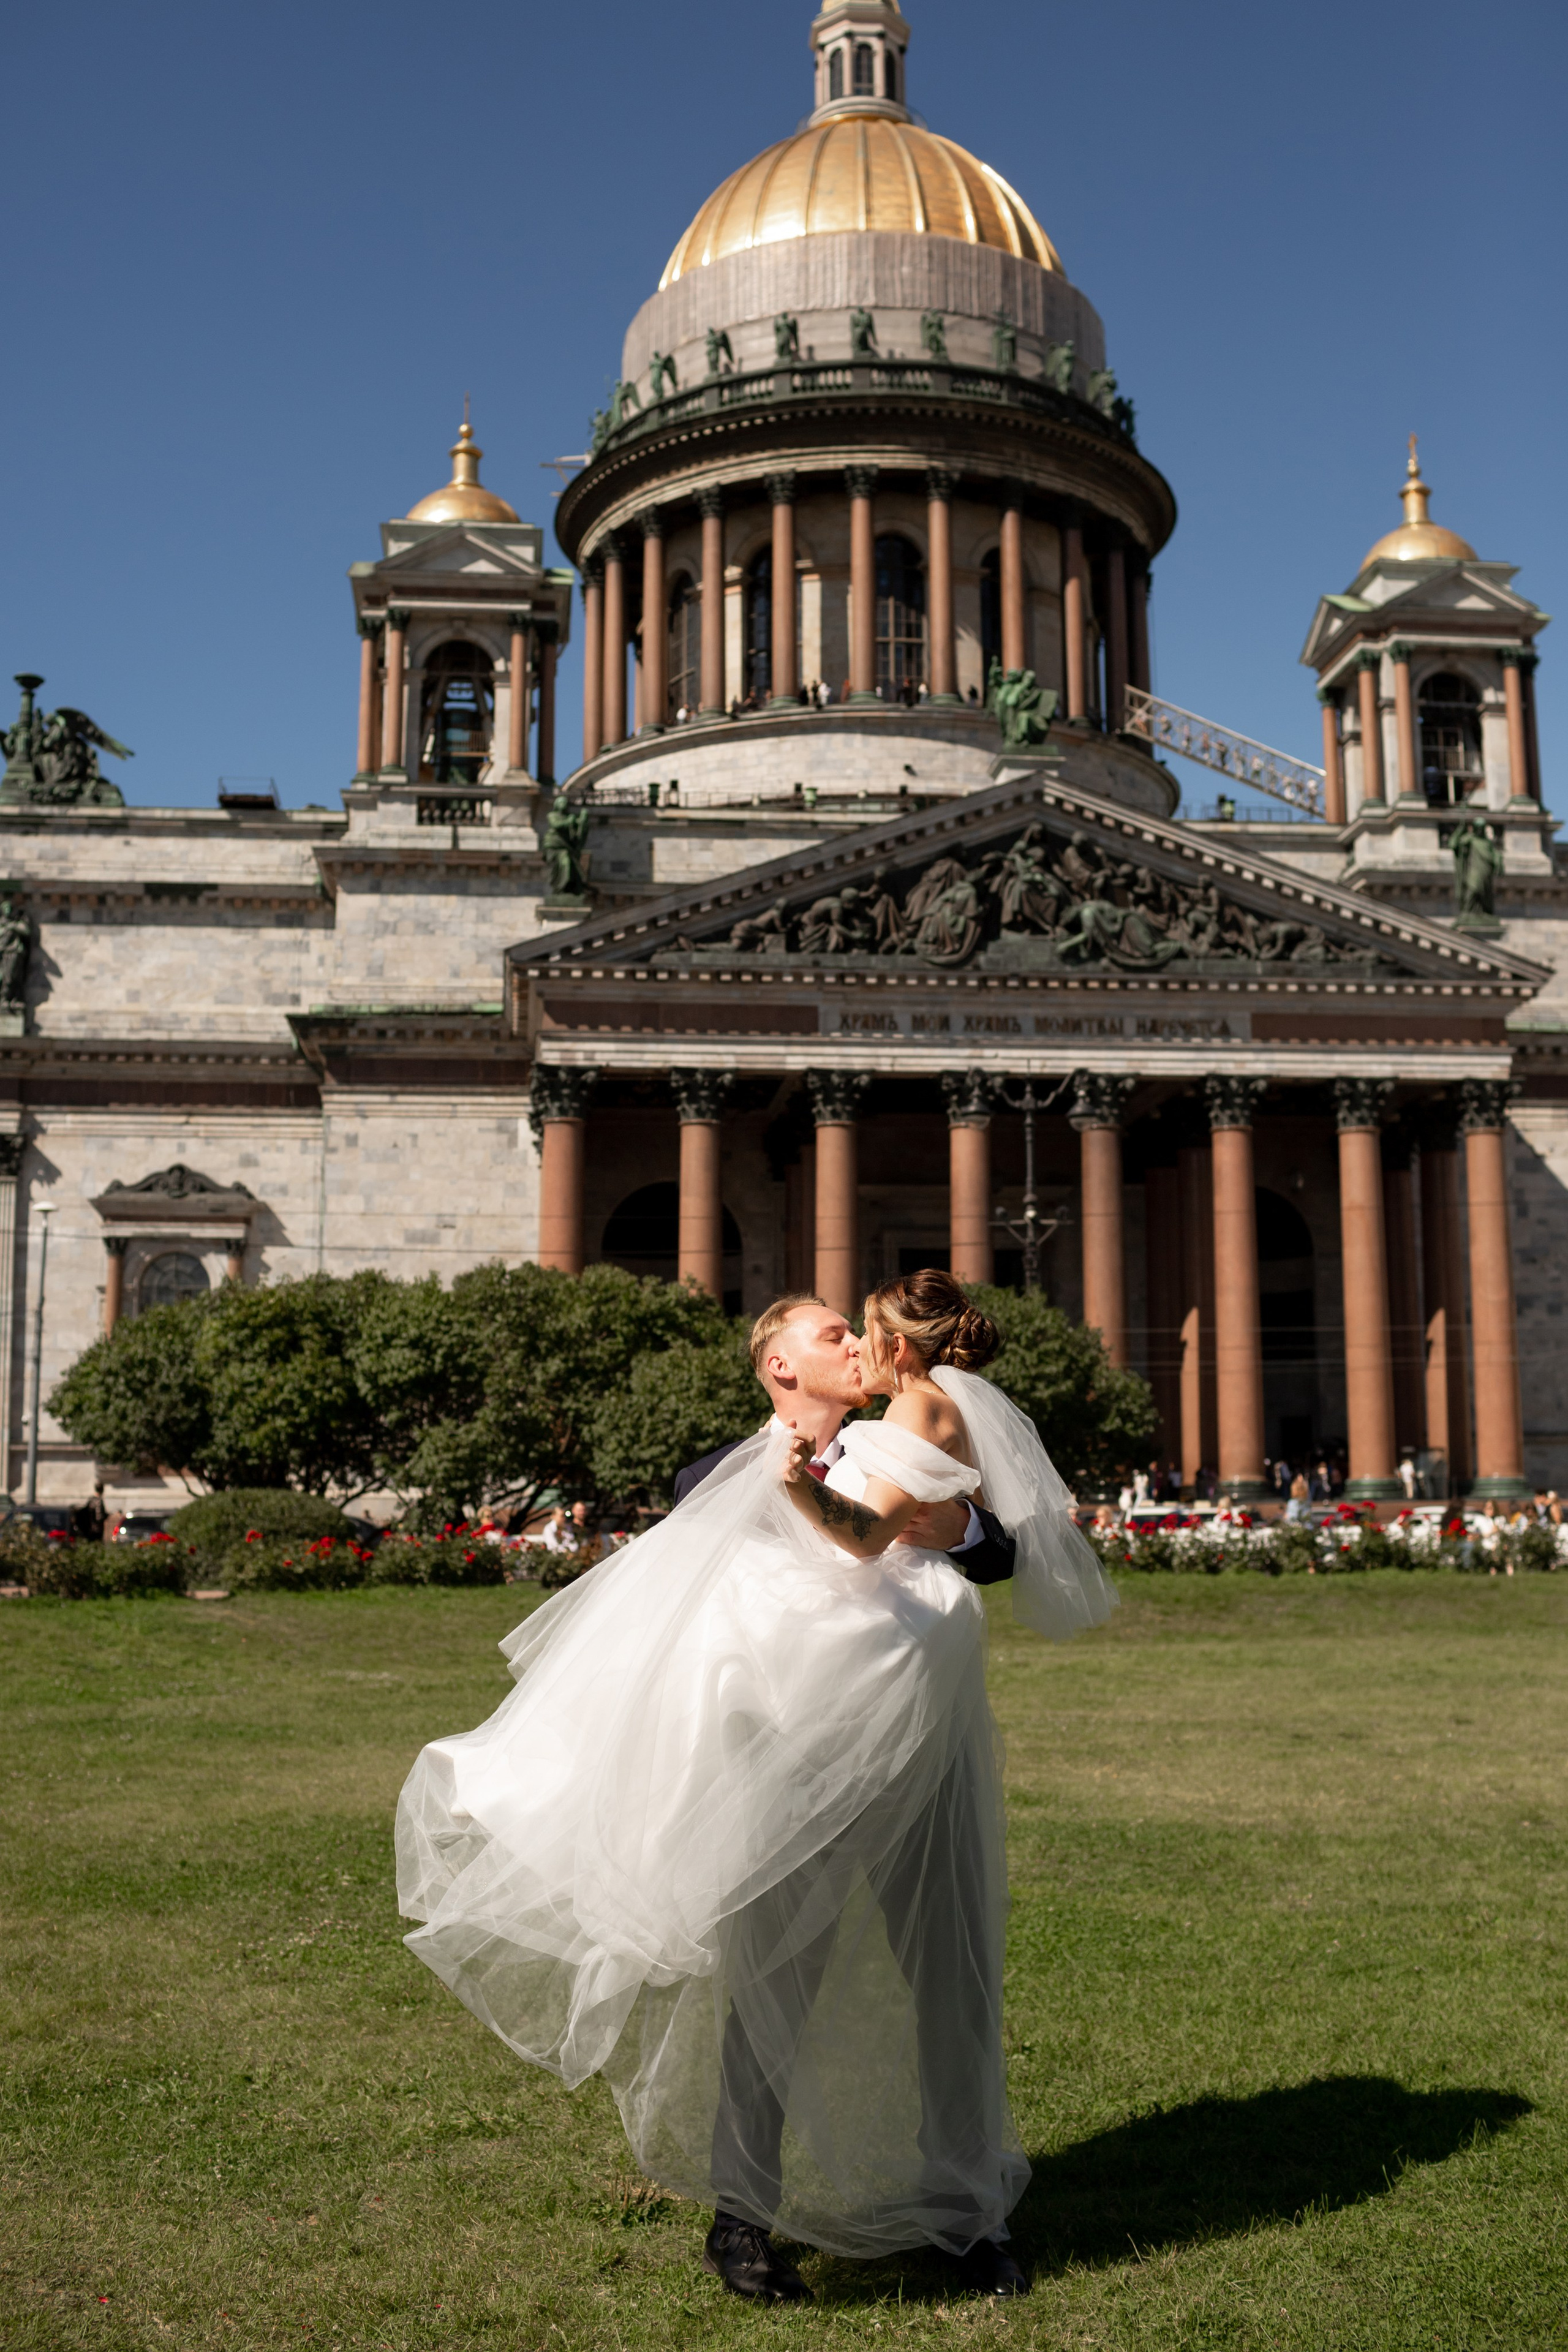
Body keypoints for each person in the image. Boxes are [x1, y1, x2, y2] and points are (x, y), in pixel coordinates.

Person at [396, 1274, 1115, 2307]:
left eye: (858, 1329)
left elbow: (994, 1548)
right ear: (783, 1365)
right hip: (793, 1765)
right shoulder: (711, 1478)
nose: (854, 1344)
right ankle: (745, 2219)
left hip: (926, 1750)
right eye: (832, 1334)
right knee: (772, 1987)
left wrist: (937, 1521)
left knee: (952, 1977)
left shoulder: (922, 1436)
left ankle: (969, 2220)